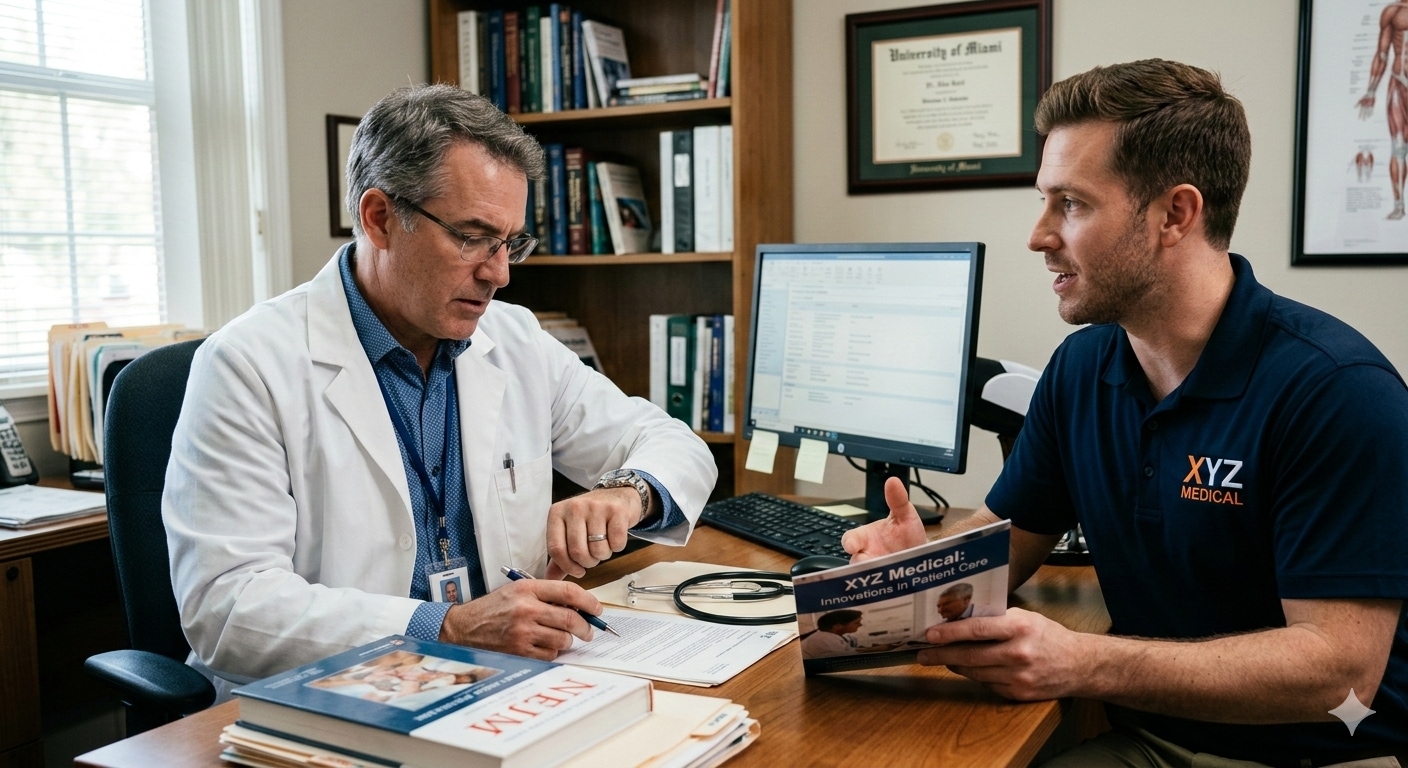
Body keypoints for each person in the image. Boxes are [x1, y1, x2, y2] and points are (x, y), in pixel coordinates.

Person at [843, 59, 1408, 765]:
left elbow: (1339, 672)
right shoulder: (1081, 369)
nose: (1038, 234)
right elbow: (1007, 544)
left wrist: (1086, 662)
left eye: (1071, 204)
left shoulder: (1336, 391)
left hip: (1331, 755)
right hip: (1153, 740)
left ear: (1176, 214)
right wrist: (919, 570)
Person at [163, 84, 717, 697]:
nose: (498, 274)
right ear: (379, 219)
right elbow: (228, 607)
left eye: (509, 243)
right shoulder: (249, 364)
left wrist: (627, 493)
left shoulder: (514, 339)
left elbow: (672, 443)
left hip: (502, 683)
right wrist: (447, 628)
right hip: (326, 699)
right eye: (472, 237)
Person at [1357, 0, 1408, 219]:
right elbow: (1382, 54)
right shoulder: (1392, 12)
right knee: (1398, 148)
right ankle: (1399, 206)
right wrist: (1370, 91)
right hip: (1399, 83)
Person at [934, 582, 1000, 623]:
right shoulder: (944, 624)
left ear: (966, 600)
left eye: (946, 604)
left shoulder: (993, 614)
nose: (939, 611)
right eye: (939, 606)